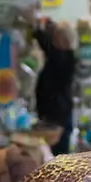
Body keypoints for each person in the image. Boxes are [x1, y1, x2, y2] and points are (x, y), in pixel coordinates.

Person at [34, 19, 76, 156]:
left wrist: (37, 29)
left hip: (58, 115)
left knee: (58, 156)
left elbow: (48, 47)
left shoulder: (65, 58)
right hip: (56, 113)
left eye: (55, 37)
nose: (53, 40)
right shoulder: (63, 56)